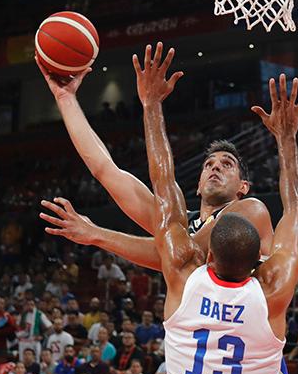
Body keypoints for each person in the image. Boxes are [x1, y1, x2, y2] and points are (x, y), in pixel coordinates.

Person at [129, 63, 298, 374]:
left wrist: (151, 106)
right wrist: (286, 140)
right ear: (261, 258)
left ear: (206, 251)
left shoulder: (183, 273)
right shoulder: (273, 292)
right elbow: (297, 211)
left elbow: (164, 185)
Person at [38, 42, 275, 277]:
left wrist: (96, 234)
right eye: (208, 164)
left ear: (243, 186)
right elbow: (105, 170)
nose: (215, 168)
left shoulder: (251, 211)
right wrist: (65, 98)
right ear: (198, 186)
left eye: (227, 164)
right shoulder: (179, 224)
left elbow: (181, 255)